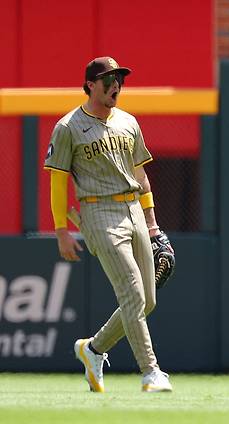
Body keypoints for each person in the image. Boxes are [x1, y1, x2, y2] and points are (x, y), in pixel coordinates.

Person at [44, 56, 172, 393]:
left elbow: (141, 175)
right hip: (98, 211)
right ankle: (151, 372)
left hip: (133, 210)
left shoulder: (128, 122)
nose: (115, 85)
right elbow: (57, 181)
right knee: (132, 291)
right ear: (89, 85)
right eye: (108, 80)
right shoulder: (69, 126)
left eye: (119, 80)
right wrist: (61, 229)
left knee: (147, 300)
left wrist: (154, 225)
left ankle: (94, 349)